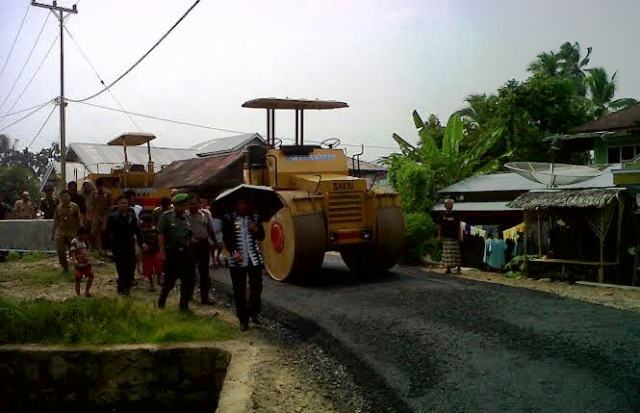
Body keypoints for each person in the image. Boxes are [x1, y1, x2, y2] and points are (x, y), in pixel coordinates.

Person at [222, 196, 265, 331]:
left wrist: (256, 229)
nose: (242, 205)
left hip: (253, 258)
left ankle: (254, 312)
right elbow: (227, 238)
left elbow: (262, 236)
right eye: (240, 203)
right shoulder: (228, 219)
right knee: (239, 290)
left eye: (245, 202)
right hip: (237, 259)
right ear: (236, 204)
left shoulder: (255, 217)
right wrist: (234, 252)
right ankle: (243, 320)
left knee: (257, 287)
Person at [157, 193, 195, 311]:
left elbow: (189, 234)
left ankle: (184, 306)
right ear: (175, 205)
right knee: (169, 281)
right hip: (172, 253)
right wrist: (162, 250)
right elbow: (160, 233)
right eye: (182, 206)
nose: (184, 208)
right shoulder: (166, 216)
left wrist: (192, 241)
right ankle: (162, 301)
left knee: (188, 280)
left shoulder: (188, 218)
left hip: (185, 253)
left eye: (185, 206)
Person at [107, 195, 139, 295]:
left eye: (125, 203)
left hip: (130, 245)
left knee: (131, 267)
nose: (124, 205)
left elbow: (137, 231)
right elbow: (109, 233)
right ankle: (122, 289)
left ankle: (128, 287)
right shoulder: (113, 217)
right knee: (121, 268)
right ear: (118, 205)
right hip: (118, 246)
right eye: (122, 203)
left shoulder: (132, 217)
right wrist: (111, 247)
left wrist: (140, 243)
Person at [188, 194, 214, 305]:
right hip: (190, 246)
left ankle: (205, 297)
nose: (192, 206)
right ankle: (188, 295)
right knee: (190, 272)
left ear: (199, 204)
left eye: (195, 203)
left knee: (204, 272)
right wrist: (189, 238)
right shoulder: (185, 216)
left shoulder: (205, 214)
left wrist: (215, 241)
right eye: (190, 204)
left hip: (204, 245)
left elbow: (210, 229)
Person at [52, 190, 82, 272]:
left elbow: (79, 219)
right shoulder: (58, 208)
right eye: (62, 197)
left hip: (72, 231)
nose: (65, 198)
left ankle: (79, 267)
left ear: (69, 197)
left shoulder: (74, 207)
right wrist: (53, 232)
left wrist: (80, 232)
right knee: (60, 249)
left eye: (66, 196)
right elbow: (56, 220)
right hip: (61, 231)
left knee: (74, 250)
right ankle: (65, 268)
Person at [438, 199, 462, 274]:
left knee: (456, 254)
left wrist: (460, 235)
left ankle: (458, 268)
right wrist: (439, 236)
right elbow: (439, 226)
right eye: (448, 204)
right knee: (447, 254)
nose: (450, 206)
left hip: (454, 237)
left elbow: (459, 226)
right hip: (445, 237)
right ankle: (448, 269)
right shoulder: (442, 215)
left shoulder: (456, 215)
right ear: (445, 206)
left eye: (451, 205)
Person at [140, 213, 163, 292]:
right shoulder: (142, 231)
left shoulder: (156, 230)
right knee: (148, 269)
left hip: (155, 251)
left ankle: (159, 280)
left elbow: (159, 241)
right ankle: (152, 285)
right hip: (147, 253)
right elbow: (141, 241)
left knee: (158, 266)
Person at [69, 227, 94, 297]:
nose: (86, 236)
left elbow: (86, 251)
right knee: (78, 279)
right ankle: (78, 295)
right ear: (80, 234)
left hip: (86, 263)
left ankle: (87, 291)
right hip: (79, 264)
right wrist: (74, 260)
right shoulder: (74, 241)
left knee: (91, 276)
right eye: (84, 235)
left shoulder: (85, 242)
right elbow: (73, 252)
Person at [90, 178, 112, 257]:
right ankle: (97, 250)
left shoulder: (108, 194)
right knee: (94, 232)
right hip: (96, 216)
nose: (99, 188)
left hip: (105, 216)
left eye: (101, 186)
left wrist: (105, 219)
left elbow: (110, 207)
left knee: (104, 232)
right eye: (98, 187)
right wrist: (96, 216)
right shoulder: (94, 194)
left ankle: (104, 250)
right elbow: (93, 206)